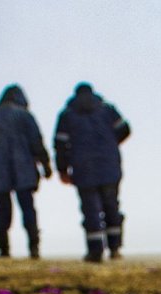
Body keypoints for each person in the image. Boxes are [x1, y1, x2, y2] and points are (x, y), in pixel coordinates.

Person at [54, 83, 131, 262]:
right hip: (109, 166)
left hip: (83, 168)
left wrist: (62, 169)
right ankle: (115, 248)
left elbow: (60, 145)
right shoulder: (107, 110)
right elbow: (125, 130)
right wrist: (110, 145)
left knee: (91, 210)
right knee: (112, 206)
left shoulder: (67, 115)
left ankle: (95, 251)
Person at [0, 85, 52, 259]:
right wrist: (46, 165)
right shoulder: (25, 116)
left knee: (2, 212)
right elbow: (37, 143)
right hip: (23, 170)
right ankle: (34, 248)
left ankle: (4, 250)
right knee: (28, 209)